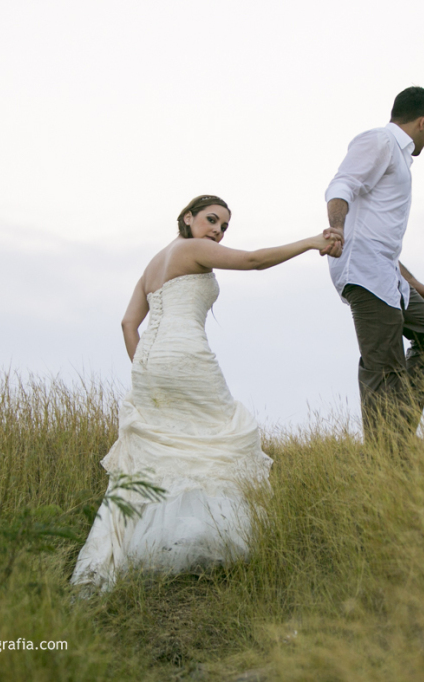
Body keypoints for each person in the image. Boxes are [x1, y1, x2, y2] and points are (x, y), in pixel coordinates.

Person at [71, 194, 340, 590]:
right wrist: (310, 242)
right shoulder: (192, 248)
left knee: (168, 448)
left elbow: (129, 325)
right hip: (185, 355)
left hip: (150, 363)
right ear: (188, 217)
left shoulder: (153, 263)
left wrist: (148, 371)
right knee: (223, 436)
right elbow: (252, 261)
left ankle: (145, 550)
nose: (217, 230)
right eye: (212, 220)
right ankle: (201, 544)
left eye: (224, 226)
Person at [322, 86, 424, 448]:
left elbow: (378, 234)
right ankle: (386, 458)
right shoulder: (379, 141)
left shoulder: (398, 157)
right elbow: (341, 184)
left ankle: (397, 433)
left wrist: (412, 280)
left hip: (387, 271)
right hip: (364, 271)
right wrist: (337, 228)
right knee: (384, 368)